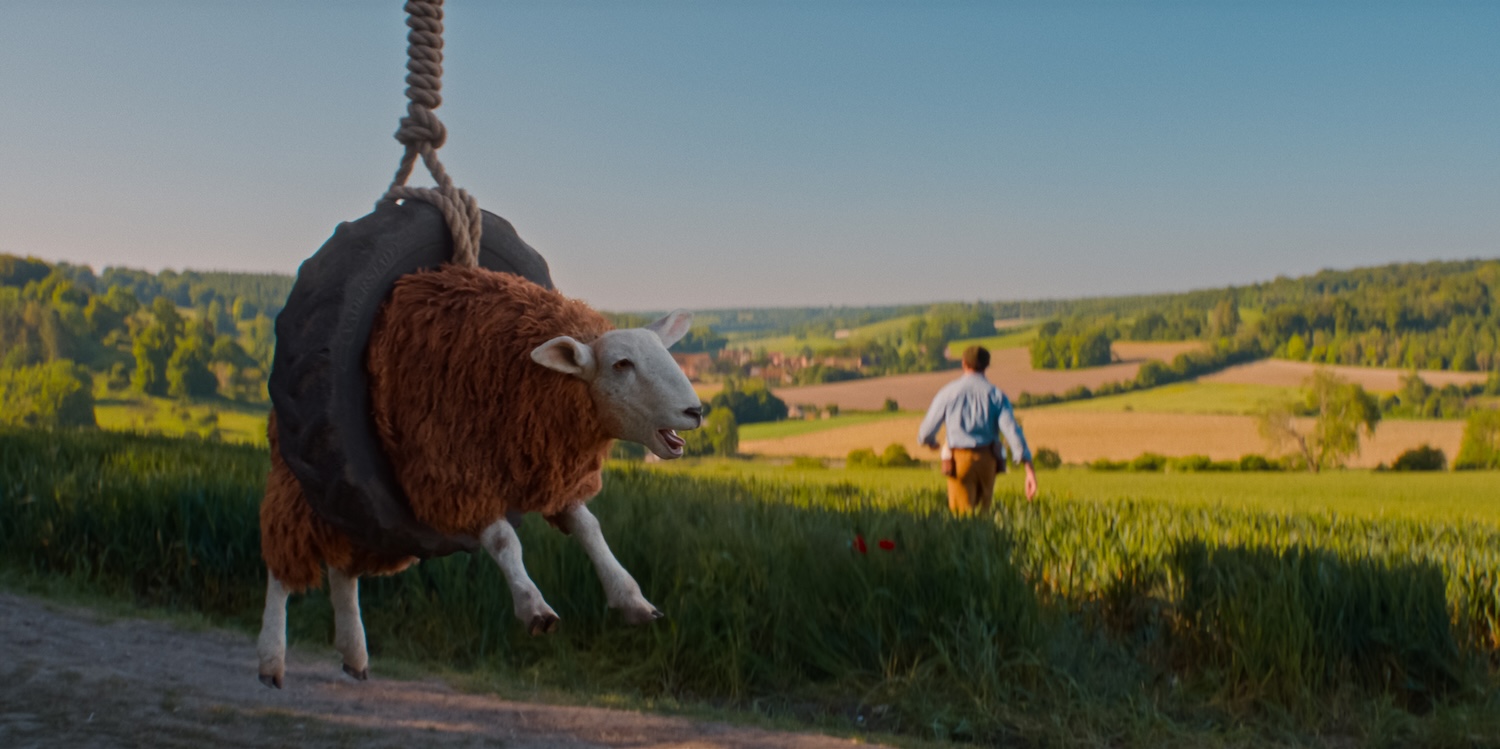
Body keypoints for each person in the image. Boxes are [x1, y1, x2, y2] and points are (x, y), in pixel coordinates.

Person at [918, 345, 1037, 513]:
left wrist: (930, 442)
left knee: (962, 522)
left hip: (959, 461)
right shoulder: (996, 395)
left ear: (964, 363)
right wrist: (1029, 468)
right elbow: (1012, 430)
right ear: (986, 366)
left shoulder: (948, 392)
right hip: (988, 460)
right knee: (983, 519)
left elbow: (925, 432)